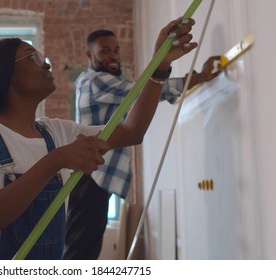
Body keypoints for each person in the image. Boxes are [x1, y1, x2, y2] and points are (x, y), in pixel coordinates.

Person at [0, 17, 198, 260]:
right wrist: (55, 160)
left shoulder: (55, 132)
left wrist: (160, 66)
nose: (46, 65)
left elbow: (133, 131)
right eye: (33, 58)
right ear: (7, 73)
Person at [64, 29, 221, 259]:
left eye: (116, 50)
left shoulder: (101, 83)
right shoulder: (94, 82)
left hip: (95, 176)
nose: (113, 56)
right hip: (90, 176)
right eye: (105, 51)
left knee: (86, 249)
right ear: (89, 56)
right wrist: (197, 77)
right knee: (80, 252)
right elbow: (139, 91)